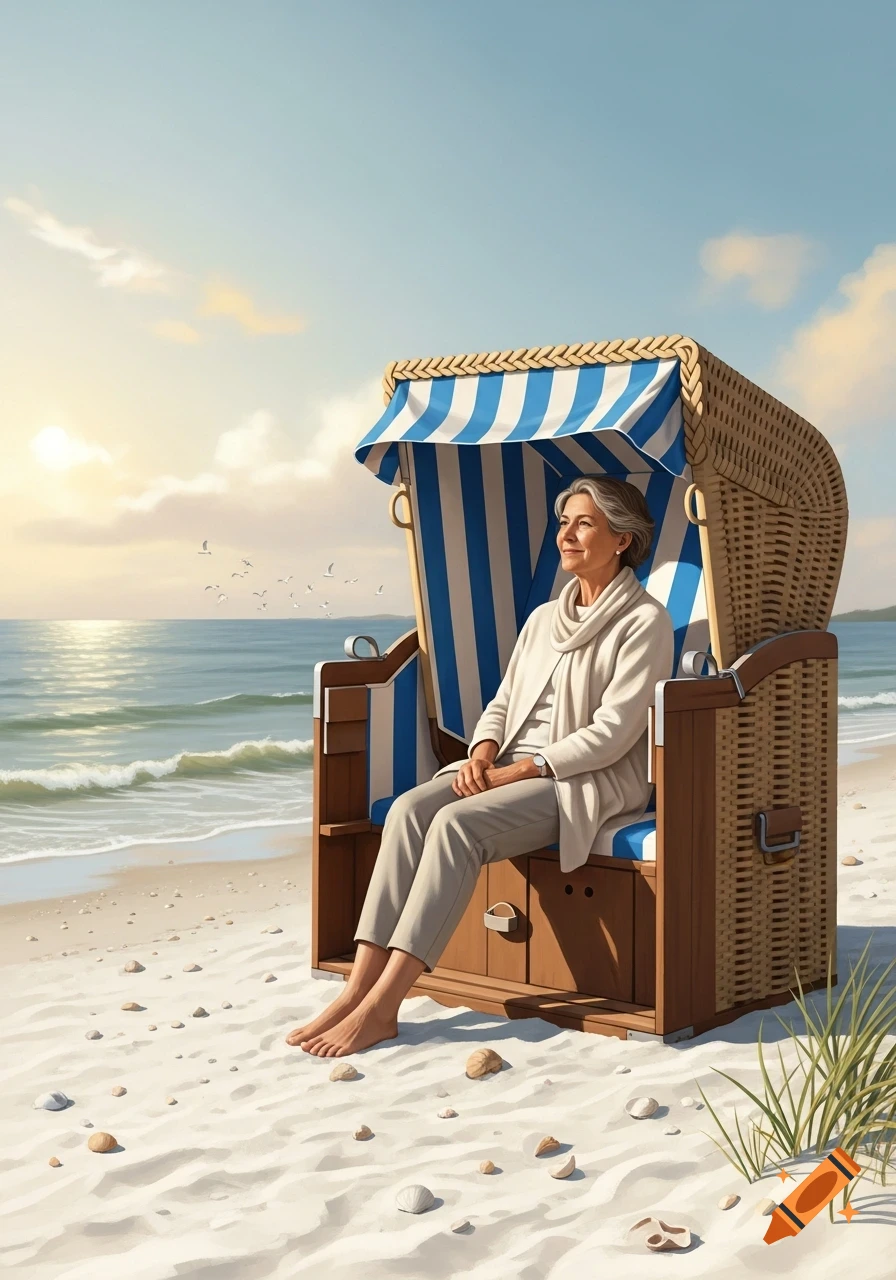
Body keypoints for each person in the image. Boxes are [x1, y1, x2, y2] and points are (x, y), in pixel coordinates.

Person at [286, 475, 674, 1057]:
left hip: (583, 778)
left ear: (622, 540)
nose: (566, 535)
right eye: (563, 522)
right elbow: (503, 700)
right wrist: (483, 752)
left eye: (584, 524)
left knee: (455, 824)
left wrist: (521, 772)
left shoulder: (645, 622)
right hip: (508, 765)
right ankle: (357, 989)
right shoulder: (544, 618)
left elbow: (613, 733)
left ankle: (385, 1007)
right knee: (411, 810)